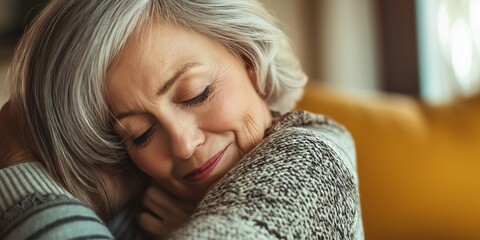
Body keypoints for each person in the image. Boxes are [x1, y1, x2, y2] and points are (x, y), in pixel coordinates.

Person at [0, 0, 363, 239]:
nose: (184, 144)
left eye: (196, 94)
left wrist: (18, 163)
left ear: (249, 61)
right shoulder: (143, 197)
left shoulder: (311, 161)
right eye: (140, 135)